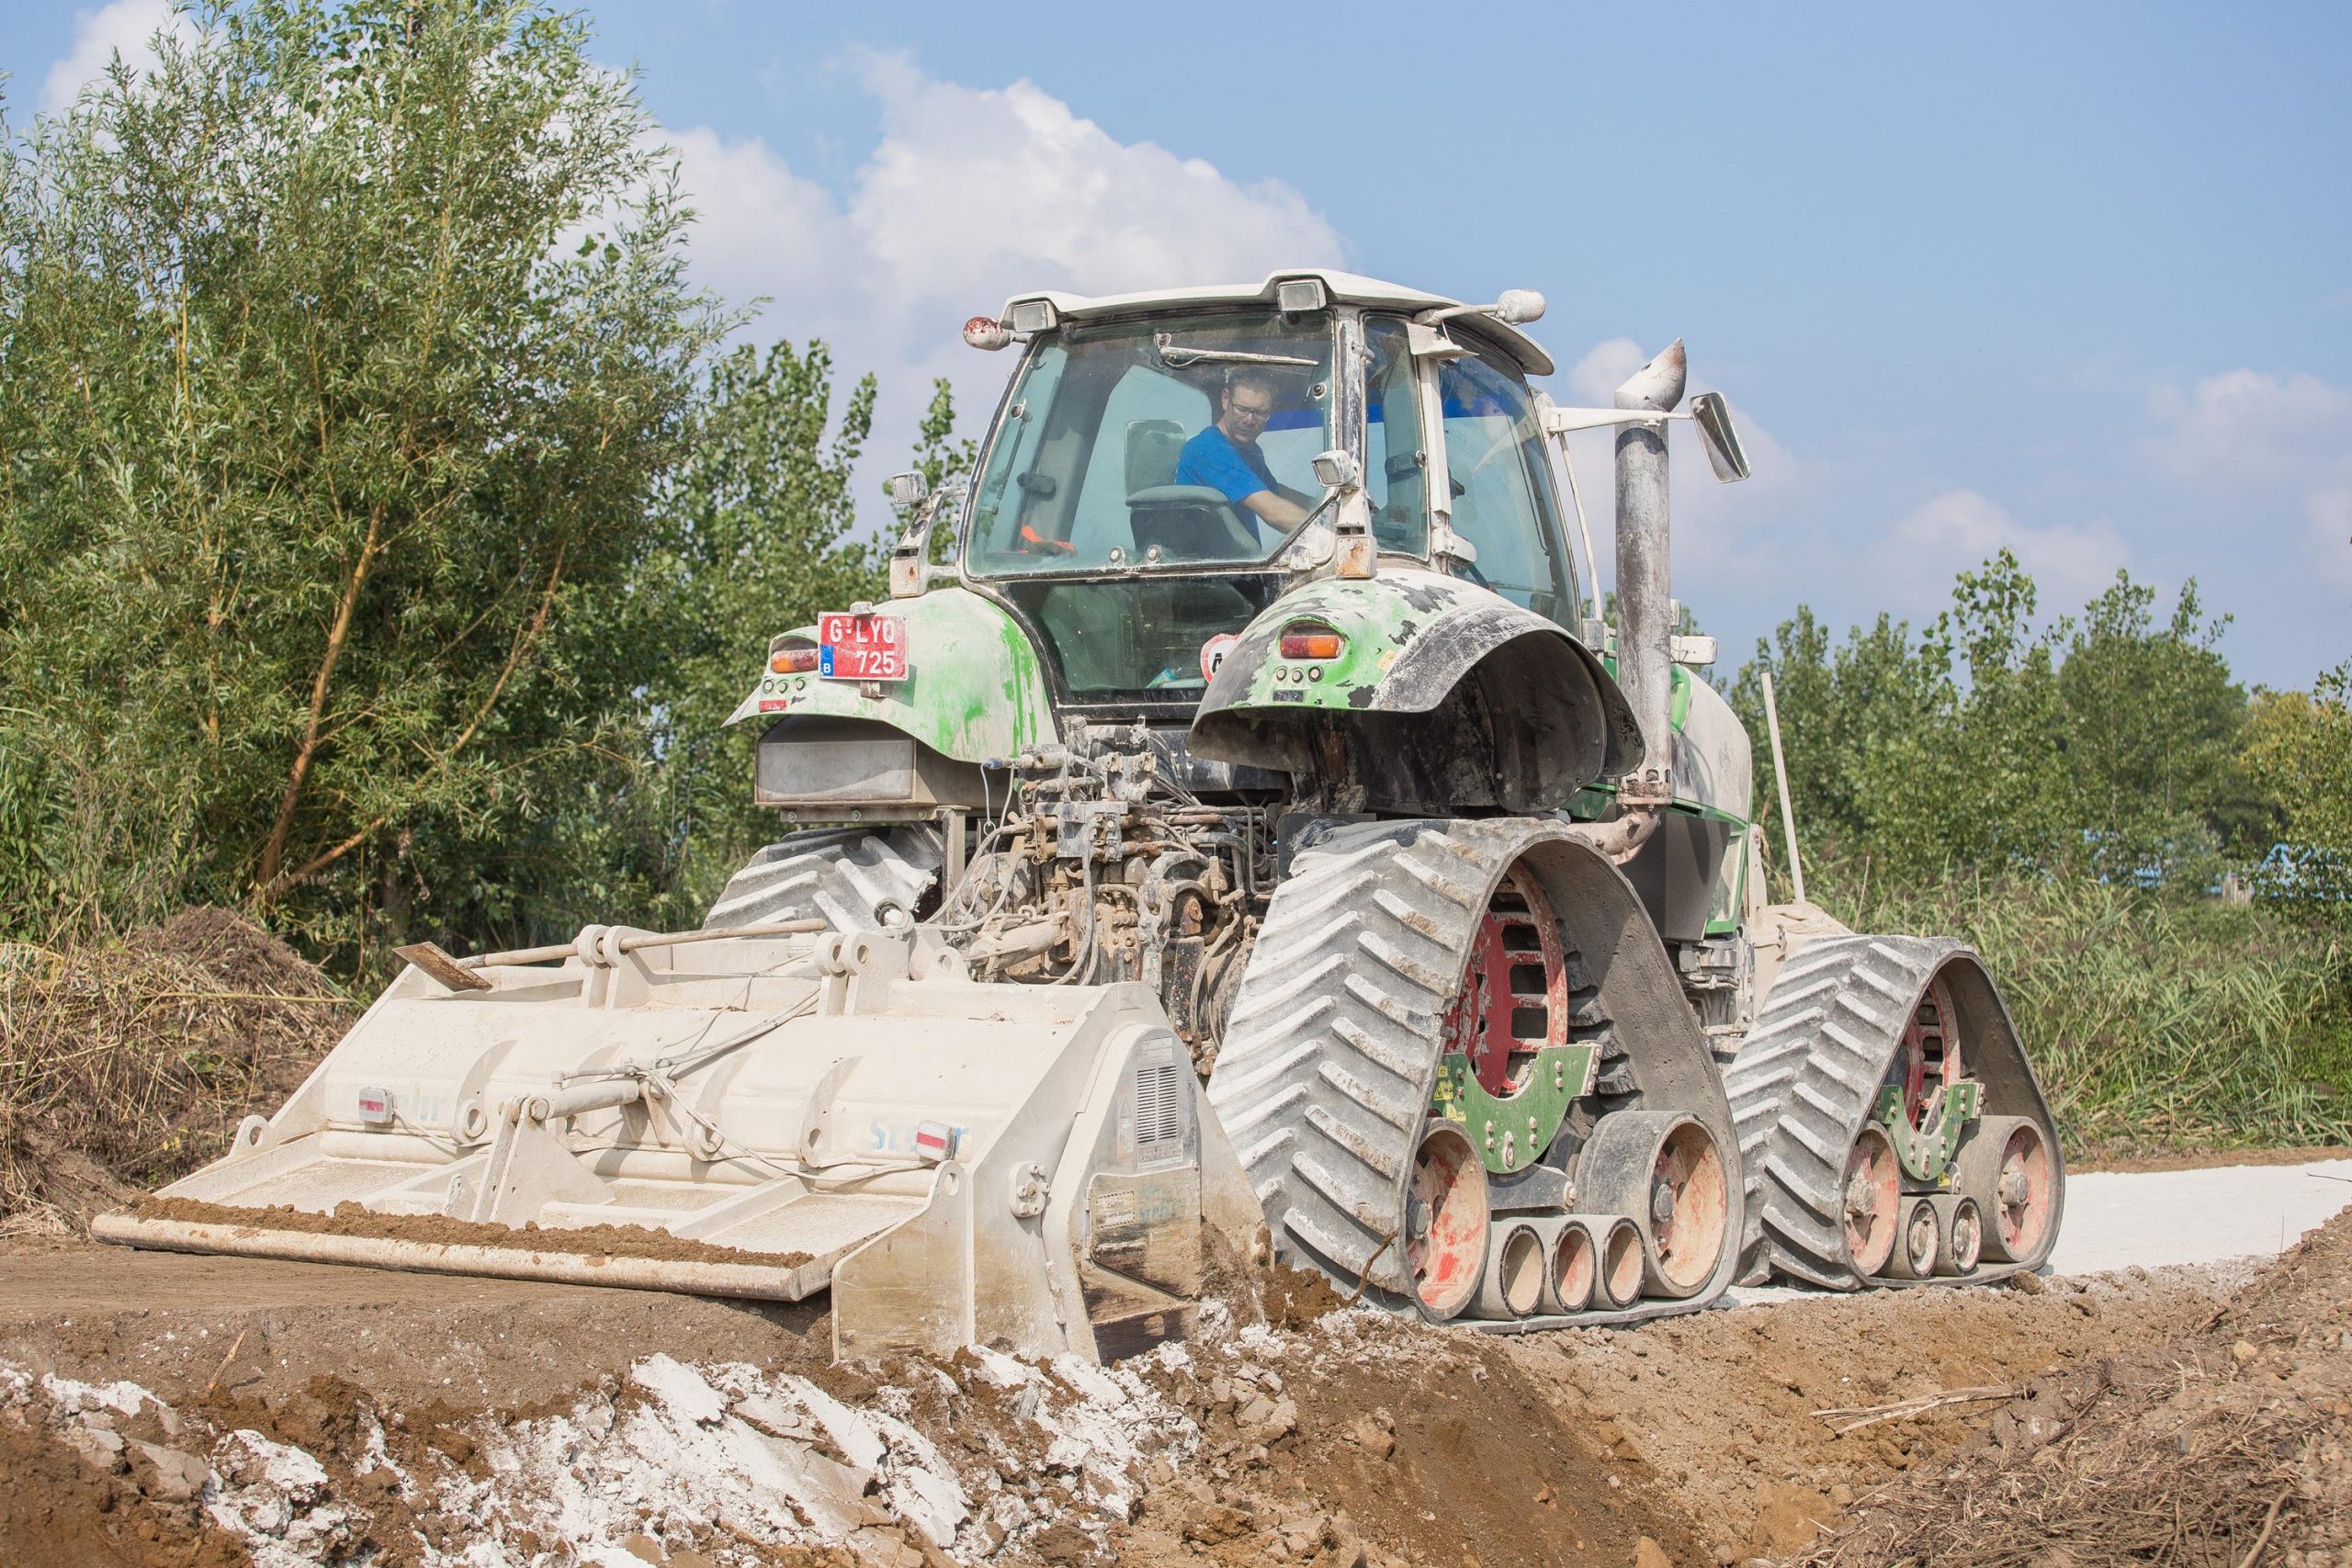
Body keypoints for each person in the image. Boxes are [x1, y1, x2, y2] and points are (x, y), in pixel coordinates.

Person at [1174, 367, 1317, 532]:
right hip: (1208, 549)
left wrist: (1323, 505)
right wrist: (1328, 531)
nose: (1249, 420)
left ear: (1272, 410)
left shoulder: (1249, 450)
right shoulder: (1209, 449)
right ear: (1225, 399)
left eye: (1260, 413)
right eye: (1241, 409)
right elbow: (1275, 513)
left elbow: (1276, 492)